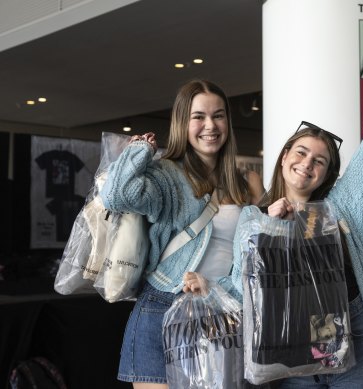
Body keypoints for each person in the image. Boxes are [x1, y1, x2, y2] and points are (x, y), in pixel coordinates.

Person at [229, 60, 363, 387]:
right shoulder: (253, 217)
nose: (306, 164)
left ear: (326, 173)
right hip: (290, 340)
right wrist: (268, 230)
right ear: (284, 156)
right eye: (301, 153)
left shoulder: (340, 205)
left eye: (318, 161)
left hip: (352, 331)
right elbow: (241, 283)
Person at [99, 79, 264, 388]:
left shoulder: (248, 184)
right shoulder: (164, 175)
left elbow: (260, 257)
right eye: (198, 116)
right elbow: (115, 196)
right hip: (162, 307)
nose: (210, 125)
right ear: (182, 123)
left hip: (225, 312)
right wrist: (138, 151)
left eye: (218, 115)